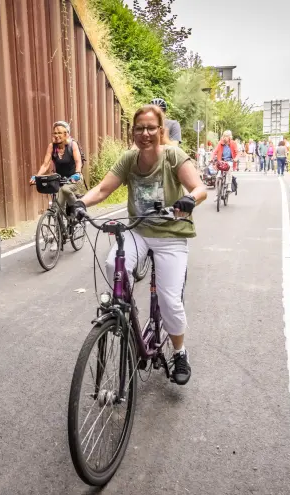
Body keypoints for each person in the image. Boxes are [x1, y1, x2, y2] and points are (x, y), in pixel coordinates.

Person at [71, 104, 207, 385]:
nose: (145, 133)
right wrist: (80, 203)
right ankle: (127, 314)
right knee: (112, 265)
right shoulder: (129, 160)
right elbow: (103, 189)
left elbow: (200, 188)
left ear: (161, 130)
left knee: (170, 301)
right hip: (138, 230)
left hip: (171, 234)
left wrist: (189, 199)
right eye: (139, 128)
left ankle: (180, 352)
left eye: (150, 128)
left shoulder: (172, 156)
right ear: (132, 132)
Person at [31, 121, 83, 210]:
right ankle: (59, 222)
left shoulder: (72, 145)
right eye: (55, 133)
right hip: (59, 180)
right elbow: (45, 165)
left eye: (59, 133)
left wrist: (77, 173)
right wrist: (37, 176)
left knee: (66, 190)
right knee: (58, 206)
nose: (56, 135)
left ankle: (78, 208)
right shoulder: (52, 146)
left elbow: (78, 161)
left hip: (74, 179)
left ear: (66, 134)